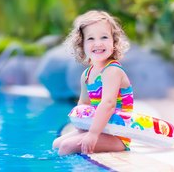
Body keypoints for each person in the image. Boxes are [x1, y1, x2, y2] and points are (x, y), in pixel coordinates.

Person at [52, 10, 133, 156]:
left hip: (117, 135)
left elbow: (108, 104)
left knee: (66, 147)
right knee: (57, 144)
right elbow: (83, 105)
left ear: (114, 42)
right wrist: (81, 129)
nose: (98, 43)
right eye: (90, 38)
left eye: (104, 37)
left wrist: (93, 134)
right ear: (81, 44)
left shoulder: (112, 71)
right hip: (100, 130)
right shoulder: (86, 75)